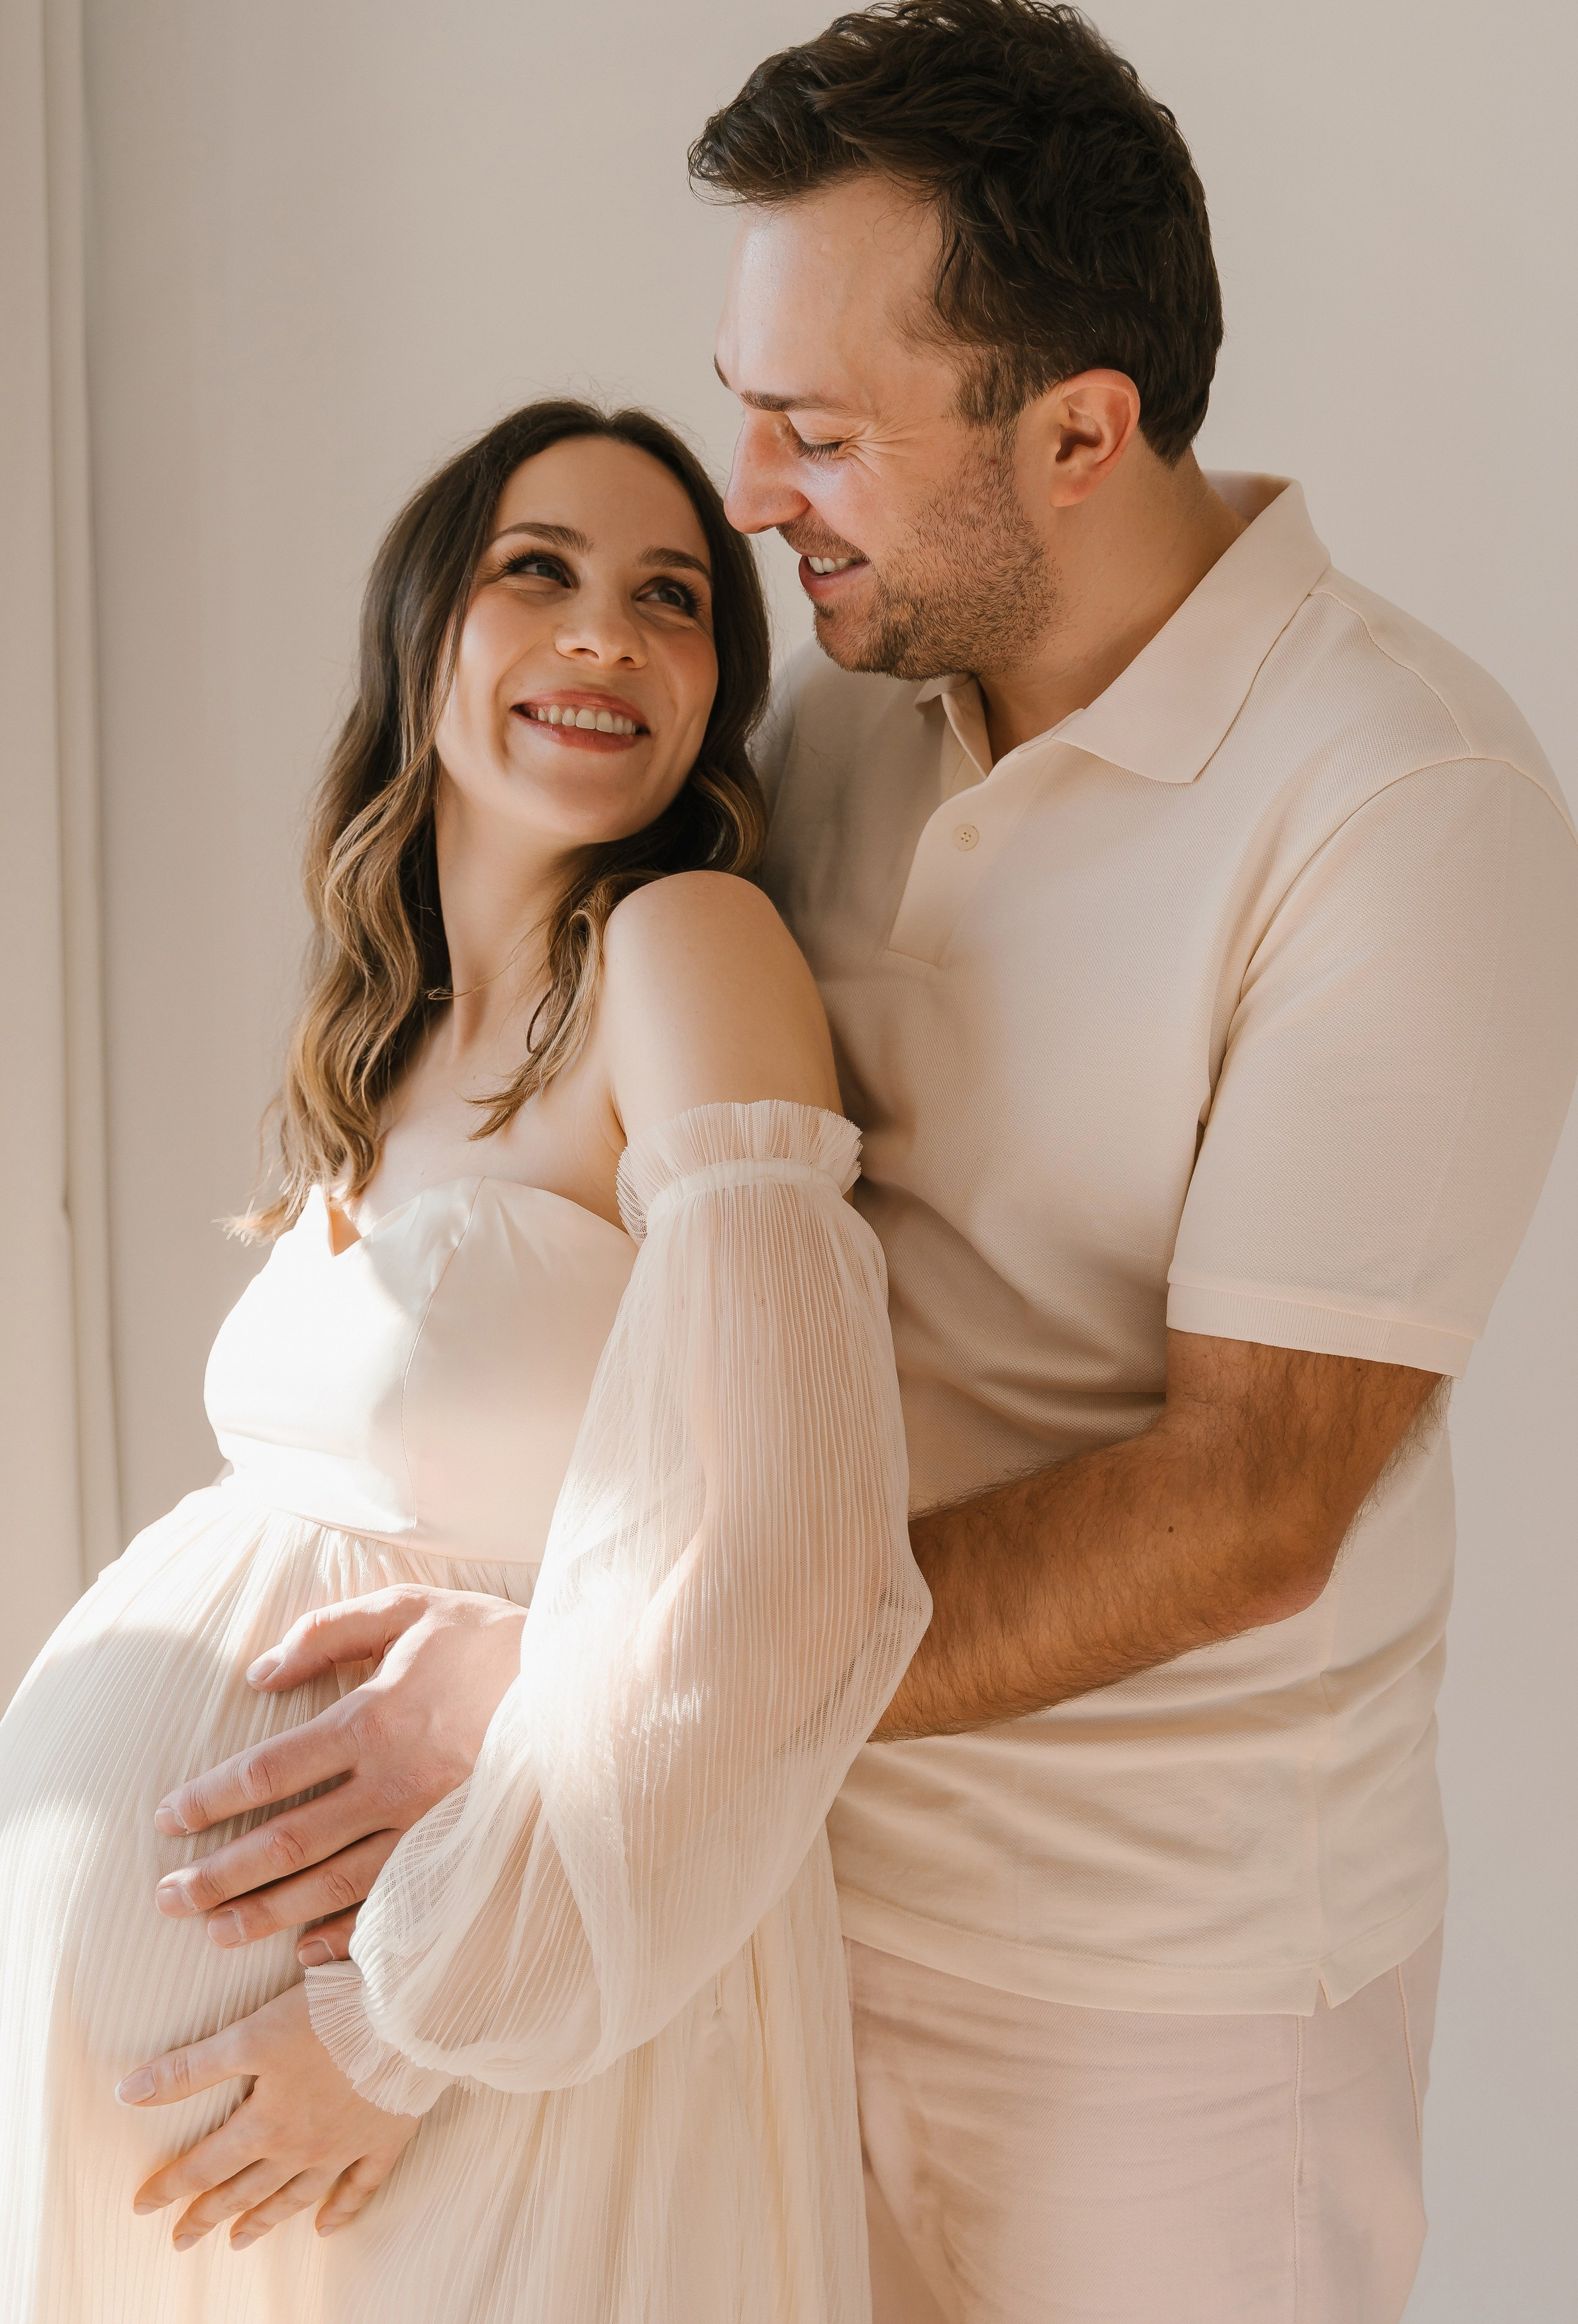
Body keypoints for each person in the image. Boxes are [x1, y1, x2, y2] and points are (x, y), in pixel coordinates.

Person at [133, 0, 1578, 2322]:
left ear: (1082, 434)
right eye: (744, 410)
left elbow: (1250, 1509)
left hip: (1156, 2009)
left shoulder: (1402, 813)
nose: (744, 499)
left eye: (814, 430)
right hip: (740, 1921)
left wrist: (588, 1685)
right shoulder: (827, 721)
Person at [0, 397, 930, 2323]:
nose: (608, 635)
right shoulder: (383, 1046)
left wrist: (395, 2024)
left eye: (674, 599)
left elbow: (788, 1558)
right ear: (425, 634)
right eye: (540, 573)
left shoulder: (686, 949)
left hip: (492, 2034)